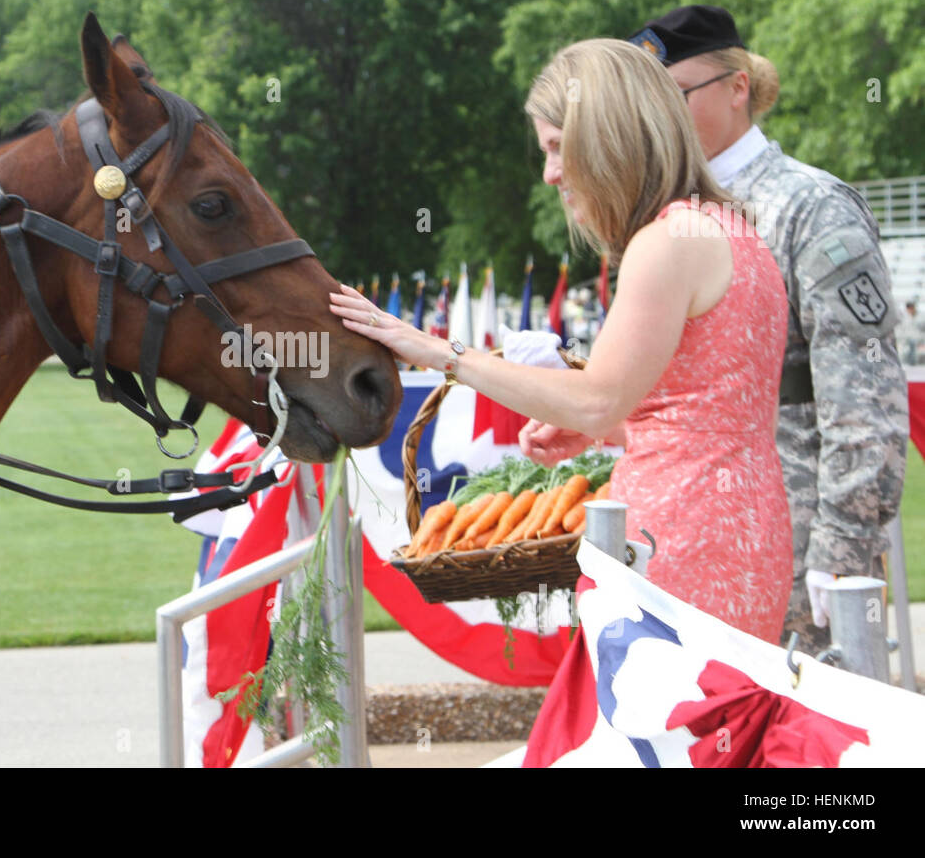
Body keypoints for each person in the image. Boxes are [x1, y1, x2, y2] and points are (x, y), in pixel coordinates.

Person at [331, 37, 794, 642]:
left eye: (556, 148)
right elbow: (708, 414)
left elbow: (599, 396)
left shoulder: (665, 243)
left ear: (607, 138)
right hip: (747, 531)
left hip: (680, 546)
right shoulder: (733, 229)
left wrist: (443, 353)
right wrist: (606, 430)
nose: (550, 173)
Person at [628, 5, 909, 655]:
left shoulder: (810, 208)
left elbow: (864, 406)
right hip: (689, 542)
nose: (658, 118)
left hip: (795, 546)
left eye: (676, 94)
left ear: (738, 87)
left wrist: (839, 553)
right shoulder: (663, 218)